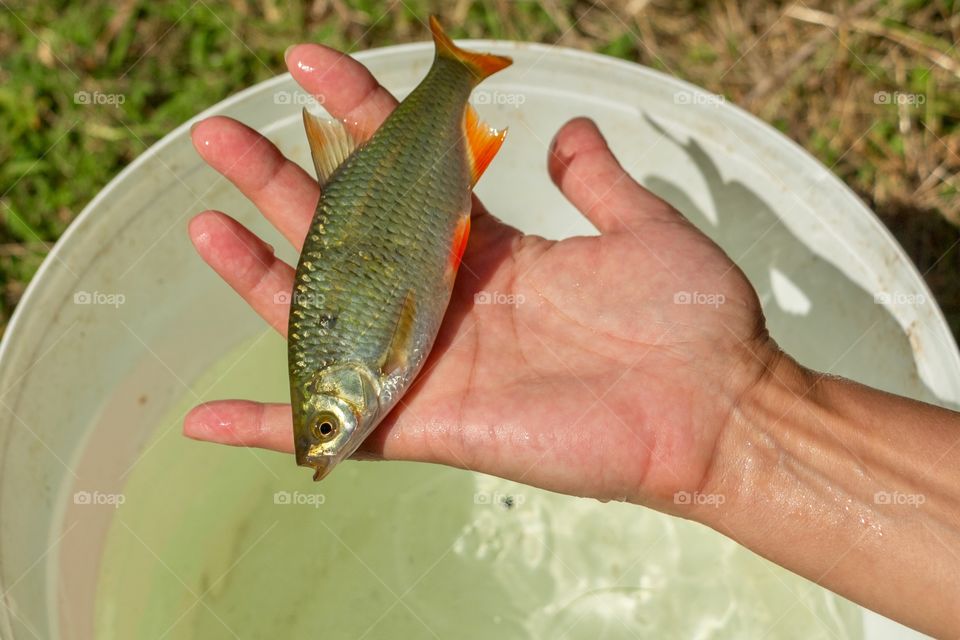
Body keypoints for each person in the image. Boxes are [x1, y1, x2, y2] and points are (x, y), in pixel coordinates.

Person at [184, 42, 960, 637]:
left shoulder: (366, 368)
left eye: (328, 426)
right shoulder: (361, 373)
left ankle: (448, 73)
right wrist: (739, 407)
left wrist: (736, 410)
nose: (332, 439)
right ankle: (450, 77)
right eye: (325, 430)